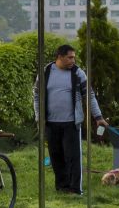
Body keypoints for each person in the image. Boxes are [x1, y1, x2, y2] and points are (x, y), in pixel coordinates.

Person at [37, 43, 106, 197]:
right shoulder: (46, 72)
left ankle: (75, 189)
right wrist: (39, 117)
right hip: (51, 123)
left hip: (71, 123)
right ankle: (62, 187)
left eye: (74, 57)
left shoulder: (78, 73)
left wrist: (98, 117)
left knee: (73, 157)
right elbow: (37, 95)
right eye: (70, 58)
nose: (73, 61)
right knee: (56, 156)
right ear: (59, 57)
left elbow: (89, 96)